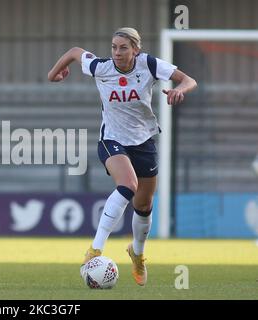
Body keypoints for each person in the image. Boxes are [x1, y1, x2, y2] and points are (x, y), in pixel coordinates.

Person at [48, 27, 197, 286]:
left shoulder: (148, 64)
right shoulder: (101, 67)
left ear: (135, 50)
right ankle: (95, 249)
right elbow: (74, 52)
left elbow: (189, 79)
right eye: (114, 47)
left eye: (123, 47)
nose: (117, 52)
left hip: (143, 142)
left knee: (144, 206)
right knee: (128, 185)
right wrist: (54, 72)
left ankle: (137, 253)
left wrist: (180, 89)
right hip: (112, 140)